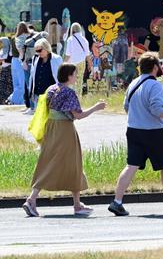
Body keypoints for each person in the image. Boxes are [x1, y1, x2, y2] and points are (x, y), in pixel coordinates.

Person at [108, 53, 163, 216]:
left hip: (133, 130)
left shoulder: (133, 83)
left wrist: (138, 116)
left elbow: (126, 107)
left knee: (131, 166)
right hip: (155, 133)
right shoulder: (155, 86)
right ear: (155, 67)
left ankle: (117, 201)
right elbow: (157, 109)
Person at [22, 63, 106, 217]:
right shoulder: (68, 92)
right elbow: (78, 115)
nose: (76, 76)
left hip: (51, 128)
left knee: (48, 162)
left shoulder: (52, 89)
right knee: (74, 164)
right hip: (65, 130)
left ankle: (37, 199)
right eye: (75, 74)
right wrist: (96, 107)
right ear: (68, 76)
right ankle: (71, 205)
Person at [28, 38, 61, 112]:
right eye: (36, 51)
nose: (38, 53)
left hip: (52, 94)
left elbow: (61, 76)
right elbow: (32, 76)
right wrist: (31, 91)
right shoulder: (35, 59)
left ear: (46, 48)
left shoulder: (56, 59)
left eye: (40, 50)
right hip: (38, 94)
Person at [63, 22, 93, 94]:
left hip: (71, 64)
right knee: (80, 82)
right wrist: (90, 64)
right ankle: (78, 98)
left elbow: (67, 54)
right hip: (82, 63)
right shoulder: (84, 40)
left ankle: (71, 97)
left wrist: (63, 64)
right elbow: (87, 55)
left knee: (71, 81)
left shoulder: (70, 39)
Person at [10, 22, 30, 105]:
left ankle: (15, 100)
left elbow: (11, 52)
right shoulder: (27, 37)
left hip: (13, 61)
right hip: (21, 60)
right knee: (22, 83)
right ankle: (16, 100)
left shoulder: (13, 38)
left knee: (16, 83)